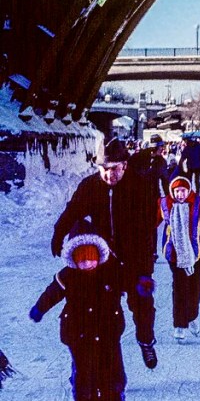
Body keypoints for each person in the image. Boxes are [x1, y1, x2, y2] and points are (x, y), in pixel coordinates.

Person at [51, 138, 159, 370]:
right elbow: (73, 211)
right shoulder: (90, 186)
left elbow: (149, 224)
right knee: (103, 309)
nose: (109, 174)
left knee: (143, 303)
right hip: (104, 259)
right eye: (103, 169)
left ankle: (146, 340)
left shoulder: (142, 186)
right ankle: (107, 358)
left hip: (136, 259)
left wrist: (142, 259)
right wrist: (58, 233)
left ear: (125, 166)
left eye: (114, 169)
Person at [30, 220, 134, 401]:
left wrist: (141, 286)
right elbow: (52, 293)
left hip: (108, 336)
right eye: (81, 258)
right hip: (79, 336)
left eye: (91, 257)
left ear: (100, 254)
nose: (87, 263)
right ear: (73, 258)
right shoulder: (68, 276)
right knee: (84, 380)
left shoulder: (112, 272)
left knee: (112, 382)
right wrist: (40, 308)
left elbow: (130, 282)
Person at [158, 176, 200, 341]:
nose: (180, 194)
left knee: (195, 288)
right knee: (180, 289)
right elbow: (148, 220)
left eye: (183, 191)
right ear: (172, 191)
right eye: (177, 191)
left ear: (189, 190)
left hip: (195, 254)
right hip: (175, 255)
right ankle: (179, 325)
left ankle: (192, 316)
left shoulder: (198, 203)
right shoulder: (165, 204)